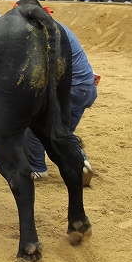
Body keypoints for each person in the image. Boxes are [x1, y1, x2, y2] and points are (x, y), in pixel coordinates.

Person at [25, 20, 96, 185]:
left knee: (38, 126)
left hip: (73, 90)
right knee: (61, 133)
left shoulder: (45, 34)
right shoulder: (60, 28)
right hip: (87, 87)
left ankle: (38, 168)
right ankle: (81, 164)